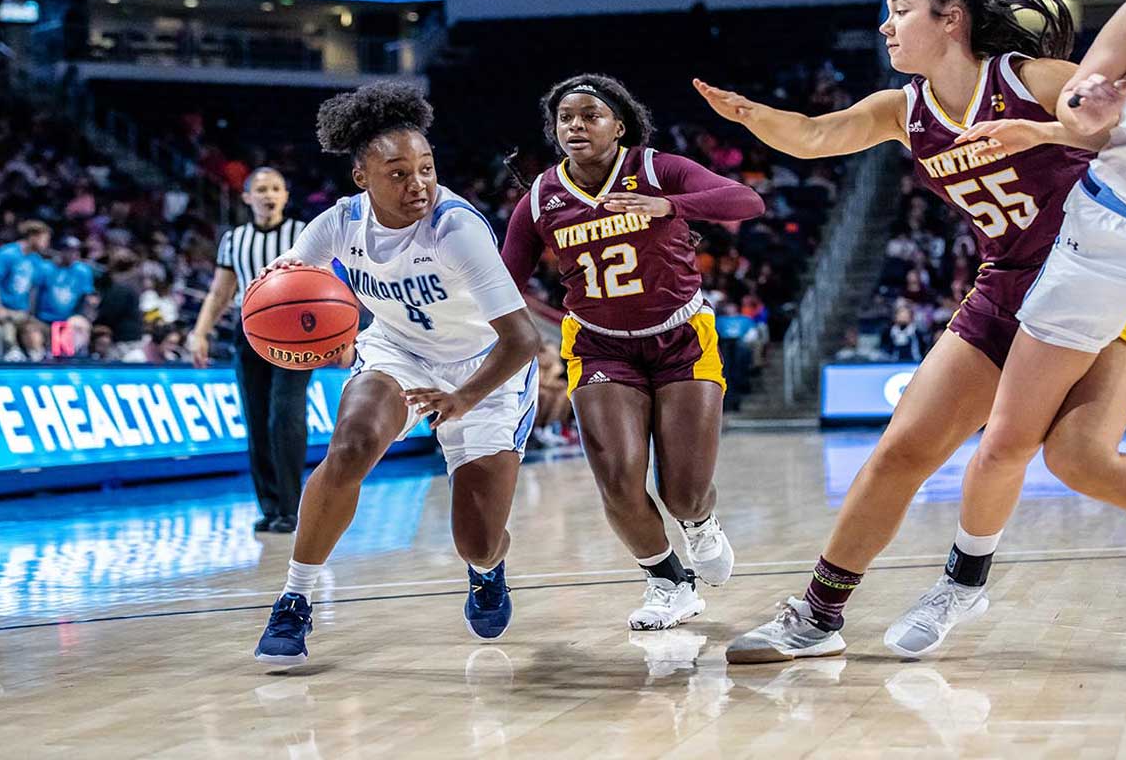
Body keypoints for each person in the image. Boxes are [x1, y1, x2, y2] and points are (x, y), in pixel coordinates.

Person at [696, 0, 1126, 663]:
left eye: (900, 10)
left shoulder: (1030, 78)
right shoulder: (900, 109)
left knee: (1078, 459)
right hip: (1005, 287)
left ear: (951, 20)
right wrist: (753, 117)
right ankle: (818, 617)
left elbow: (1125, 143)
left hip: (1106, 280)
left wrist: (1053, 130)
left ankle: (960, 579)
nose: (886, 25)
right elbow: (818, 136)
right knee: (901, 449)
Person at [885, 0, 1126, 657]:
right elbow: (1083, 113)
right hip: (1108, 238)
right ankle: (962, 582)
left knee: (1079, 457)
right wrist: (1068, 117)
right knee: (1011, 443)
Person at [251, 82, 541, 667]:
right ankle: (294, 600)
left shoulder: (456, 228)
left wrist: (461, 397)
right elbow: (288, 289)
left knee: (477, 540)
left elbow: (523, 339)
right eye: (399, 173)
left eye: (427, 169)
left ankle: (487, 571)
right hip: (398, 351)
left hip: (484, 368)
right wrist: (286, 306)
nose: (419, 185)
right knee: (352, 444)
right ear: (362, 177)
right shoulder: (338, 223)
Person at [502, 74, 764, 630]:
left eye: (590, 115)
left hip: (681, 337)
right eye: (565, 117)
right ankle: (668, 581)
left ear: (618, 125)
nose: (576, 125)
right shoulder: (540, 198)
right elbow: (507, 280)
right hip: (599, 347)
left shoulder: (655, 168)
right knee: (618, 482)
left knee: (685, 493)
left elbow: (746, 199)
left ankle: (700, 525)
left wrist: (666, 207)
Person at [190, 166, 312, 534]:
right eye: (260, 189)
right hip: (249, 334)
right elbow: (220, 291)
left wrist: (343, 335)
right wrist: (200, 332)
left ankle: (291, 507)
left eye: (275, 188)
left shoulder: (301, 234)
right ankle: (270, 505)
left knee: (284, 415)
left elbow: (326, 284)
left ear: (285, 196)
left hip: (294, 335)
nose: (268, 194)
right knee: (257, 420)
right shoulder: (234, 239)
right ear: (247, 197)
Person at [0, 220, 50, 327]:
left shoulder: (37, 261)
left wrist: (28, 311)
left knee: (39, 333)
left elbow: (33, 289)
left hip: (21, 312)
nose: (47, 244)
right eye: (45, 239)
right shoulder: (7, 252)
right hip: (2, 308)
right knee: (8, 337)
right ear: (33, 236)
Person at [35, 236, 96, 325]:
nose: (73, 254)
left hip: (68, 321)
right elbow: (35, 291)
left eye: (76, 251)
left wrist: (87, 317)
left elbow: (87, 296)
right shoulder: (46, 267)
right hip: (43, 317)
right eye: (69, 250)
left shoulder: (83, 271)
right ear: (61, 251)